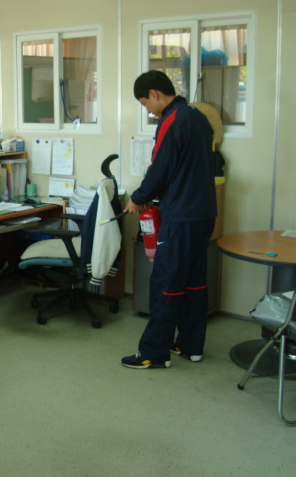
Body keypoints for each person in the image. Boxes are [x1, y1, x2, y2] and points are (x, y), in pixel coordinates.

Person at [121, 70, 217, 369]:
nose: (147, 110)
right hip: (204, 213)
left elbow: (161, 167)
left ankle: (154, 353)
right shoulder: (198, 117)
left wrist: (139, 197)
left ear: (154, 94)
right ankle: (191, 346)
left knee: (166, 283)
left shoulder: (172, 120)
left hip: (181, 216)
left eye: (145, 103)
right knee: (194, 283)